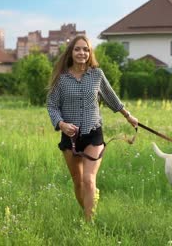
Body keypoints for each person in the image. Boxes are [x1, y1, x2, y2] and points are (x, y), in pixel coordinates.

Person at [47, 35, 138, 221]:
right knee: (78, 182)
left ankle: (89, 224)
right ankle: (87, 209)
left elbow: (111, 98)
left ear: (90, 53)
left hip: (93, 133)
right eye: (78, 49)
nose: (82, 53)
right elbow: (52, 106)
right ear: (71, 53)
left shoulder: (97, 75)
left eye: (86, 49)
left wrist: (128, 116)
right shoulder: (61, 79)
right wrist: (61, 124)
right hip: (70, 138)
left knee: (89, 180)